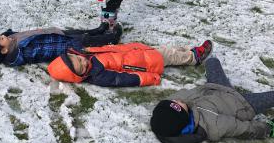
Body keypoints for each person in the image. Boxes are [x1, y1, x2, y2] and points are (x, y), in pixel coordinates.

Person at [150, 58, 274, 143]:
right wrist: (267, 129)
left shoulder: (181, 105)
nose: (177, 100)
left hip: (216, 87)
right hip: (243, 103)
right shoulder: (213, 126)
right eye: (177, 104)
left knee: (212, 61)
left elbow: (171, 103)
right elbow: (243, 128)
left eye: (172, 101)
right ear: (184, 117)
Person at [47, 40, 212, 87]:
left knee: (168, 50)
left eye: (78, 59)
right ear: (80, 76)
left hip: (137, 51)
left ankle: (189, 50)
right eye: (81, 68)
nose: (83, 62)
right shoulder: (98, 75)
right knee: (169, 55)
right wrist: (150, 78)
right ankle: (194, 58)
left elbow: (74, 45)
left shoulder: (86, 53)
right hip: (144, 63)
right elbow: (124, 79)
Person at [0, 25, 122, 66]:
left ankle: (97, 30)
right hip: (61, 44)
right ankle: (111, 39)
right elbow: (44, 50)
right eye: (1, 38)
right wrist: (66, 46)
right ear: (4, 50)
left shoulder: (11, 39)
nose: (3, 36)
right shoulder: (23, 51)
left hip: (54, 33)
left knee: (79, 32)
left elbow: (9, 36)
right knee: (84, 40)